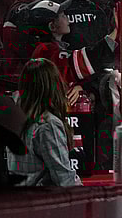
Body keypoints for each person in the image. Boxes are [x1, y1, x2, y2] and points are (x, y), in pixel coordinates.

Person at [7, 58, 82, 186]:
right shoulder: (48, 125)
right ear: (54, 86)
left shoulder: (16, 118)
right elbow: (64, 180)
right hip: (42, 201)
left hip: (21, 200)